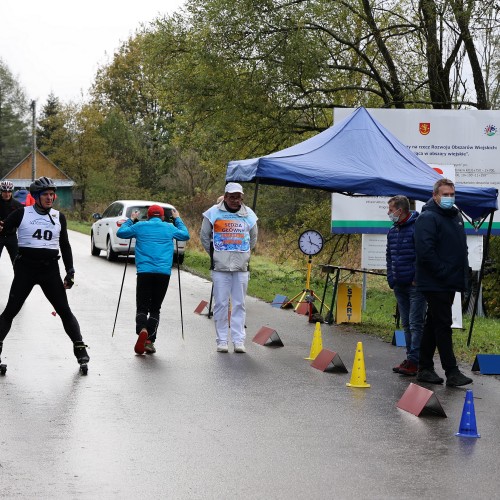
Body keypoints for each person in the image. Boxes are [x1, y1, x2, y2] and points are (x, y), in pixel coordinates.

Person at [0, 176, 89, 371]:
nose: (50, 198)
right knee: (10, 312)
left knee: (64, 311)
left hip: (49, 270)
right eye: (45, 195)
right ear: (36, 196)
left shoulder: (59, 217)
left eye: (52, 194)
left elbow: (64, 245)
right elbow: (3, 228)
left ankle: (80, 349)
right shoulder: (22, 213)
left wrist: (70, 270)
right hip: (26, 269)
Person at [414, 178, 472, 387]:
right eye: (445, 194)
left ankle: (425, 368)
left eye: (451, 194)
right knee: (443, 324)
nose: (449, 198)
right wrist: (444, 271)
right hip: (434, 281)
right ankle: (452, 371)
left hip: (450, 280)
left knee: (432, 323)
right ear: (435, 196)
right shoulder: (428, 217)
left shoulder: (455, 216)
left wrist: (462, 273)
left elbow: (460, 247)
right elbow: (425, 251)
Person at [116, 204, 190, 354]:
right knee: (155, 307)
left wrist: (131, 220)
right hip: (163, 273)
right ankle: (149, 341)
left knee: (142, 306)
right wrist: (177, 219)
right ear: (162, 217)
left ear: (148, 216)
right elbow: (185, 235)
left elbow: (121, 233)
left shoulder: (140, 226)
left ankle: (142, 329)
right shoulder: (169, 227)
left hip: (144, 272)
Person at [200, 182, 258, 353]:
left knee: (240, 304)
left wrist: (244, 255)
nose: (235, 200)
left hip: (241, 267)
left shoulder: (249, 214)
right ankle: (222, 340)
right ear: (225, 197)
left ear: (242, 198)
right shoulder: (213, 213)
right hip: (220, 267)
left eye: (238, 197)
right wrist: (216, 255)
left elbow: (253, 238)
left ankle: (239, 340)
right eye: (231, 197)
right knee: (221, 304)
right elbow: (204, 236)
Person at [386, 195, 426, 376]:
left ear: (400, 210)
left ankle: (416, 360)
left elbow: (422, 255)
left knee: (416, 323)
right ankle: (410, 359)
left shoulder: (417, 228)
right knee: (407, 324)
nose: (389, 213)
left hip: (415, 286)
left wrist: (416, 278)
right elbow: (389, 257)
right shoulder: (393, 231)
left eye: (391, 210)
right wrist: (391, 279)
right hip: (399, 285)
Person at [0, 180, 23, 264]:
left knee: (17, 261)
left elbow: (21, 221)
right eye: (5, 191)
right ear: (1, 191)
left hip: (11, 236)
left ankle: (18, 277)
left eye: (9, 191)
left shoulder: (18, 205)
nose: (7, 194)